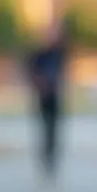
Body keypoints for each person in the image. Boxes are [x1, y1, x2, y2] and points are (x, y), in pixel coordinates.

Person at [27, 17, 68, 181]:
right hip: (43, 96)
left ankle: (52, 161)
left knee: (55, 131)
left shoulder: (58, 53)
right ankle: (44, 159)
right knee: (44, 130)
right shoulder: (38, 55)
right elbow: (31, 73)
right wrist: (40, 84)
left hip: (56, 96)